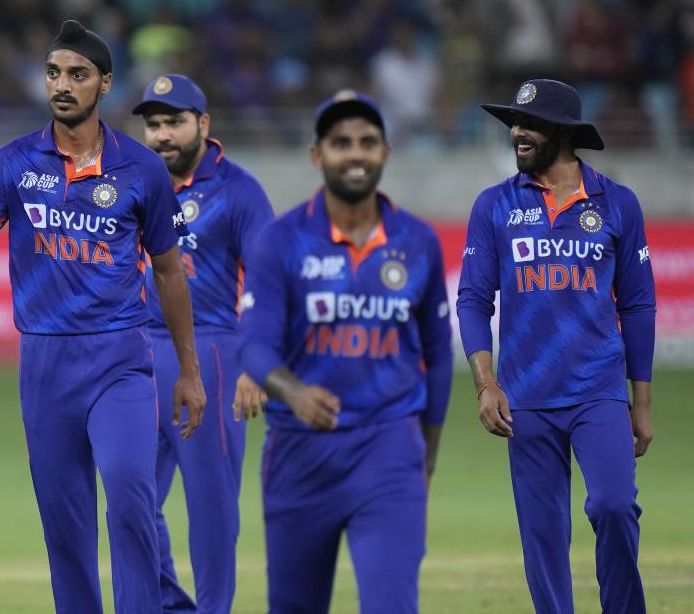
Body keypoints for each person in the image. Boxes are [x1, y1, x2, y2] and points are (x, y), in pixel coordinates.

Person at [0, 20, 205, 614]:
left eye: (77, 74)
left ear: (104, 84)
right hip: (46, 365)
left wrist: (189, 370)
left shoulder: (142, 169)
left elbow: (170, 272)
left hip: (121, 359)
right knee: (65, 523)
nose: (62, 84)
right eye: (54, 72)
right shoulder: (15, 163)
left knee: (131, 495)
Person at [240, 90, 453, 613]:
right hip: (299, 454)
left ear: (385, 152)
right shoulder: (281, 240)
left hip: (389, 450)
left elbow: (439, 355)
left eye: (367, 142)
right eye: (340, 143)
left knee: (391, 604)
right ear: (317, 155)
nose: (354, 154)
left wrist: (425, 457)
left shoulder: (418, 240)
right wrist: (293, 392)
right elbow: (254, 345)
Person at [457, 79, 655, 614]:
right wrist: (487, 383)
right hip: (526, 397)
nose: (517, 133)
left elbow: (637, 306)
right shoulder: (493, 205)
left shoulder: (618, 203)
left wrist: (641, 403)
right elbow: (473, 300)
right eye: (514, 123)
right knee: (543, 537)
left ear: (564, 133)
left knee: (615, 507)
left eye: (530, 124)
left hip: (599, 392)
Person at [133, 74, 274, 613]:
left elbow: (267, 279)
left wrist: (254, 363)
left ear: (203, 124)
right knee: (131, 494)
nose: (163, 135)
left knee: (211, 506)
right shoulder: (137, 183)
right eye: (153, 124)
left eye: (174, 122)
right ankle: (173, 604)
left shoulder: (239, 190)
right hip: (140, 352)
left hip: (215, 353)